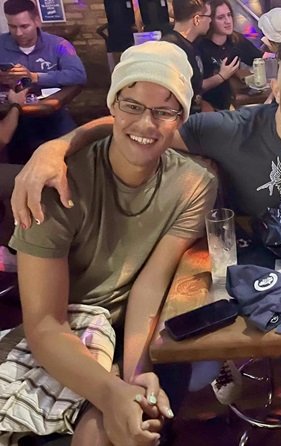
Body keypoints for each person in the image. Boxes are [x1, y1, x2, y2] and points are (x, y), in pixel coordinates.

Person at [9, 30, 281, 424]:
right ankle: (229, 357)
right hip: (237, 260)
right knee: (202, 344)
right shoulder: (230, 129)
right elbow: (140, 123)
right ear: (275, 89)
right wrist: (56, 146)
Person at [0, 41, 217, 445]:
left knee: (130, 423)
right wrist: (111, 392)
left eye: (164, 111)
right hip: (64, 331)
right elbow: (45, 322)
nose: (146, 124)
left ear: (181, 118)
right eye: (132, 105)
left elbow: (150, 283)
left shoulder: (193, 184)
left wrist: (135, 374)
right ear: (113, 106)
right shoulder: (55, 184)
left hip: (137, 328)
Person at [0, 0, 86, 164]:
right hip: (11, 119)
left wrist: (35, 77)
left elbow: (78, 75)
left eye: (24, 26)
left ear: (37, 21)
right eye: (12, 26)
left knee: (75, 153)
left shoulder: (58, 45)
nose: (18, 33)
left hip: (52, 116)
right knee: (18, 162)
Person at [197, 0, 263, 110]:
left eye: (229, 15)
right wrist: (221, 76)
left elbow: (260, 57)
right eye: (220, 17)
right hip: (206, 107)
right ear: (210, 21)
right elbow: (196, 88)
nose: (227, 21)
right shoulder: (200, 46)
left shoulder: (236, 39)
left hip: (231, 103)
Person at [160, 0, 212, 113]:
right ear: (197, 19)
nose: (210, 21)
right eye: (209, 16)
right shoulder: (171, 49)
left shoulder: (191, 45)